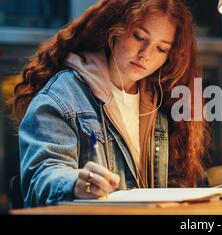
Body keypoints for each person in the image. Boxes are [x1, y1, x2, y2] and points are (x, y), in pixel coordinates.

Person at [10, 0, 210, 208]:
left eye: (161, 48)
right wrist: (75, 184)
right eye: (139, 37)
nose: (145, 54)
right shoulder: (63, 94)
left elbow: (181, 180)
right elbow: (41, 178)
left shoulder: (163, 99)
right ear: (114, 31)